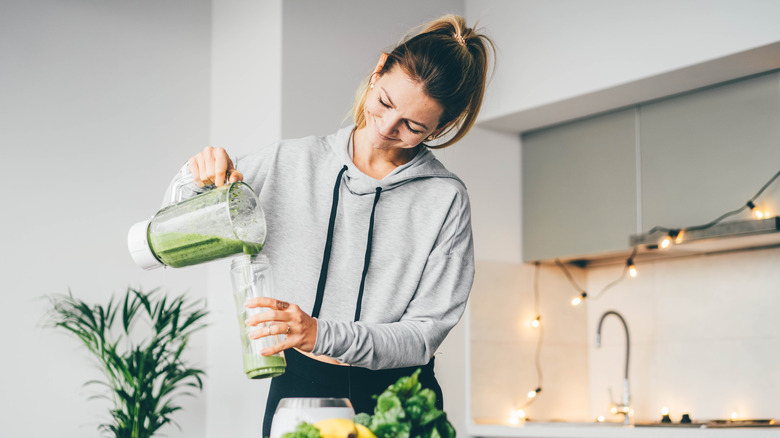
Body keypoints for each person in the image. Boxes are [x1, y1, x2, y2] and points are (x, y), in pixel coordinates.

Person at [177, 14, 495, 437]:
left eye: (414, 127)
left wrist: (318, 333)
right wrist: (194, 178)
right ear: (379, 69)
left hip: (401, 400)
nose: (385, 129)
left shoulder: (445, 199)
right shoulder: (286, 163)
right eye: (384, 103)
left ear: (443, 126)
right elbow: (178, 231)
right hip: (298, 389)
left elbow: (422, 337)